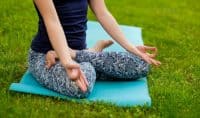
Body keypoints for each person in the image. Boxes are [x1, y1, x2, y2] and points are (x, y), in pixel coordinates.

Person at [28, 0, 161, 98]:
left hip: (76, 54)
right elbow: (52, 22)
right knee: (81, 87)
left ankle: (81, 54)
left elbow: (102, 13)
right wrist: (66, 59)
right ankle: (91, 54)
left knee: (141, 64)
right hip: (46, 58)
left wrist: (130, 47)